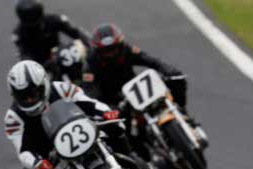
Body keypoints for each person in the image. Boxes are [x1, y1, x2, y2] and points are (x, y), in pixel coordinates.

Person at [4, 60, 145, 169]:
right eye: (23, 96)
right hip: (47, 151)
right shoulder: (12, 118)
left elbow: (89, 103)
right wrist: (37, 163)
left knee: (116, 124)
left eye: (33, 94)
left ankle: (131, 156)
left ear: (44, 85)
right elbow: (23, 150)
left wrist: (106, 113)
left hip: (79, 126)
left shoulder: (61, 88)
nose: (29, 100)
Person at [82, 23, 208, 158]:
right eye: (106, 51)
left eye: (113, 49)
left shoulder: (128, 50)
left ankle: (184, 114)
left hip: (135, 89)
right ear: (98, 52)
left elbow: (152, 61)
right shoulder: (91, 64)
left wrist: (168, 70)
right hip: (114, 101)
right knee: (120, 131)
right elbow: (89, 92)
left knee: (177, 79)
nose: (111, 54)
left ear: (120, 45)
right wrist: (107, 109)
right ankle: (141, 157)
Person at [12, 0, 91, 68]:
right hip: (40, 66)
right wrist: (40, 66)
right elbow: (24, 56)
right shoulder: (19, 34)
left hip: (61, 55)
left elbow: (76, 32)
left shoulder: (53, 19)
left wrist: (91, 44)